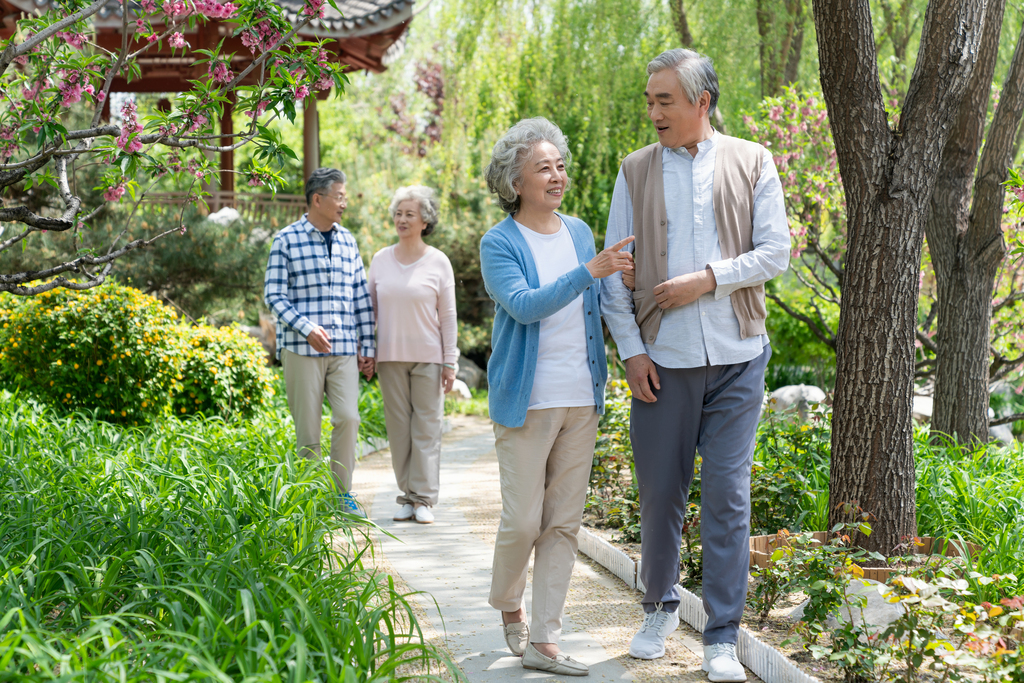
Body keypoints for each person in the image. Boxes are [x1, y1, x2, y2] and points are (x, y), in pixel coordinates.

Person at [601, 49, 790, 681]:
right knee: (659, 494)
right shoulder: (633, 171)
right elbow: (613, 276)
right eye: (649, 100)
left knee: (729, 498)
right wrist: (630, 352)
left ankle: (721, 634)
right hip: (663, 362)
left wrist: (707, 280)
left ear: (701, 102)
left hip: (739, 357)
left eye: (665, 100)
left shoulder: (753, 160)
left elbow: (774, 254)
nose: (653, 112)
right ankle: (657, 608)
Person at [480, 117, 634, 676]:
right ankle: (508, 604)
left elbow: (596, 303)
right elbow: (523, 304)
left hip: (580, 395)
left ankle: (544, 640)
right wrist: (586, 273)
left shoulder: (580, 232)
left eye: (560, 165)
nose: (557, 176)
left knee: (563, 522)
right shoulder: (500, 241)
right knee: (524, 520)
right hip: (527, 399)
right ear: (514, 183)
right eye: (543, 168)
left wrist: (615, 277)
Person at [264, 167, 376, 518]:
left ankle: (342, 495)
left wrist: (368, 347)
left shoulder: (348, 240)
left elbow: (360, 296)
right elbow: (274, 296)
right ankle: (311, 497)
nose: (344, 203)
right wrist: (306, 327)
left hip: (343, 348)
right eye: (339, 196)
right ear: (318, 199)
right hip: (301, 350)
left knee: (348, 418)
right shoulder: (285, 239)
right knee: (308, 430)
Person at [367, 185, 458, 526]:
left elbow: (448, 315)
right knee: (399, 429)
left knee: (427, 427)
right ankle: (406, 496)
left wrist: (450, 360)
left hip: (430, 357)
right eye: (398, 213)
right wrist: (367, 352)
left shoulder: (438, 261)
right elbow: (370, 311)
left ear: (425, 221)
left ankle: (423, 499)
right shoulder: (379, 259)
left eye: (409, 214)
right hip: (389, 356)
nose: (402, 219)